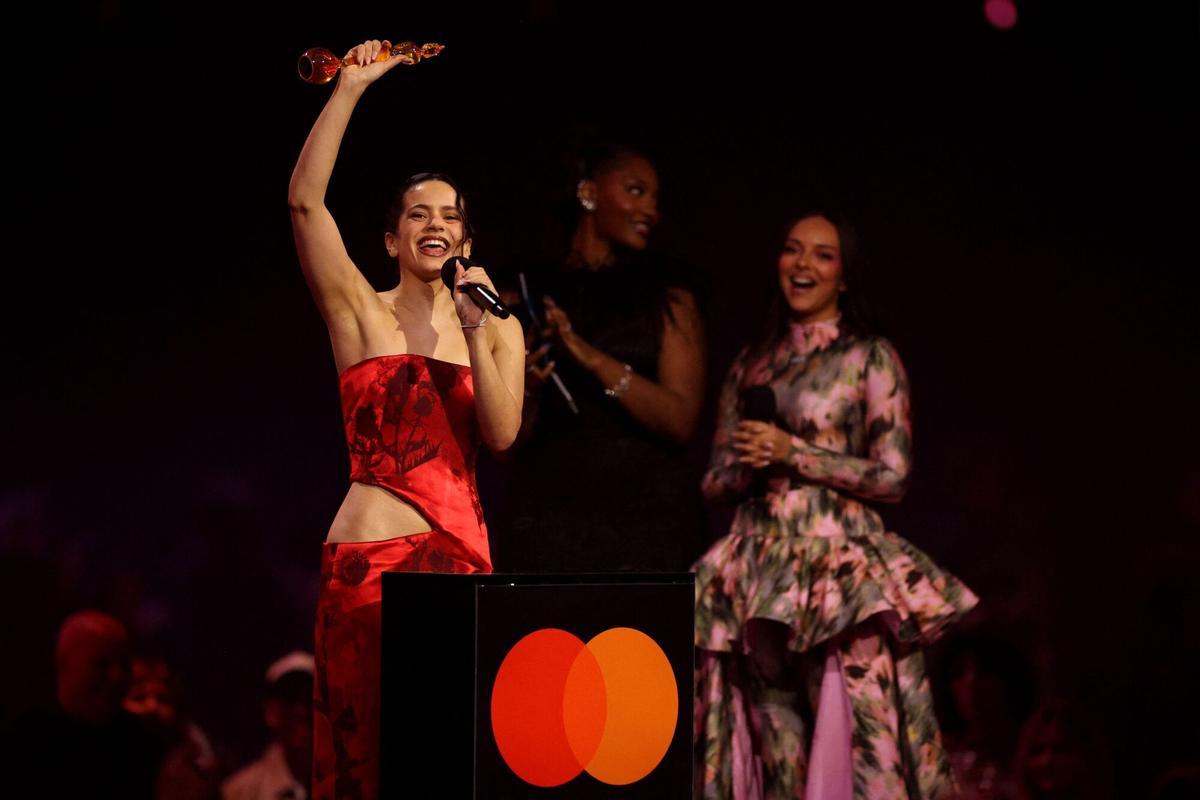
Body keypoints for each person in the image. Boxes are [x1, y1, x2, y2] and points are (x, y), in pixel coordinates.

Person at [287, 39, 524, 800]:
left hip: (458, 564)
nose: (436, 223)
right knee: (366, 771)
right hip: (370, 565)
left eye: (450, 215)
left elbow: (501, 434)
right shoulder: (361, 314)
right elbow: (303, 204)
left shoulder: (497, 325)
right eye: (418, 213)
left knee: (447, 768)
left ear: (467, 239)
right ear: (391, 239)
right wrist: (350, 90)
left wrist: (479, 327)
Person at [692, 212, 978, 799]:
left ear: (844, 276)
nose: (803, 265)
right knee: (778, 761)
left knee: (858, 746)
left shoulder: (870, 357)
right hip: (760, 573)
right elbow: (714, 483)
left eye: (822, 255)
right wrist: (749, 464)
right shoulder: (752, 362)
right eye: (793, 250)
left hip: (841, 574)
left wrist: (794, 452)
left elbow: (893, 477)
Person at [489, 142, 707, 572]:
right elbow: (505, 445)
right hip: (550, 520)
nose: (651, 210)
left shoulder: (667, 299)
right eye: (636, 191)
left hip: (645, 524)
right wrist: (528, 390)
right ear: (588, 192)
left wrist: (589, 357)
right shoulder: (524, 294)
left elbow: (680, 421)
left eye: (655, 198)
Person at [3, 610, 164, 798]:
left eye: (124, 664)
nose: (117, 676)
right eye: (101, 664)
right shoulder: (24, 742)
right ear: (64, 665)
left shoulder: (142, 743)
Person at [222, 652, 314, 800]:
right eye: (291, 698)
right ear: (270, 712)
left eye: (309, 698)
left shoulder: (345, 783)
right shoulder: (241, 792)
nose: (301, 710)